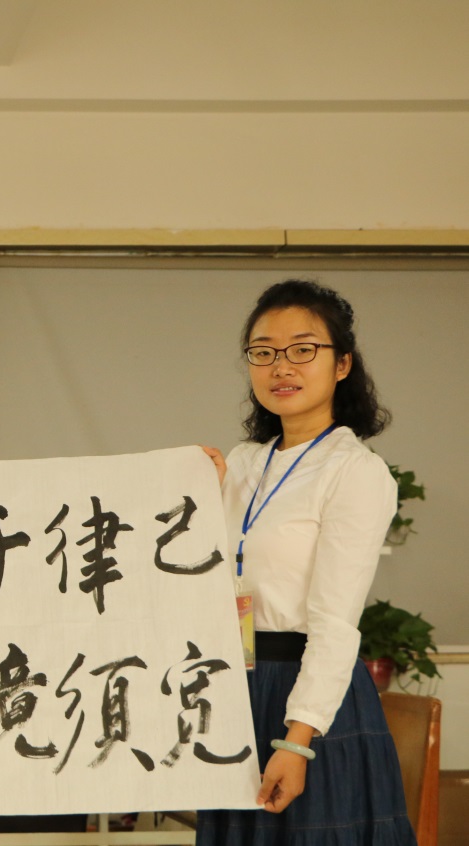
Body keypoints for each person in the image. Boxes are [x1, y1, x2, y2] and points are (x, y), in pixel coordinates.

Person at [195, 280, 415, 844]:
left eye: (302, 349)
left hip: (310, 703)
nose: (280, 366)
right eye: (263, 351)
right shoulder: (242, 464)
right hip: (236, 685)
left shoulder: (355, 471)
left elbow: (335, 621)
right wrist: (195, 497)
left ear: (342, 364)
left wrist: (298, 741)